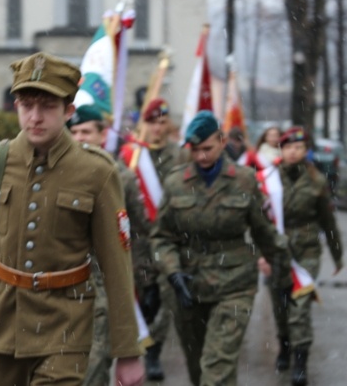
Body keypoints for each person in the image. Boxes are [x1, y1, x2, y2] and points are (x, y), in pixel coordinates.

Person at [0, 52, 145, 386]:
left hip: (65, 327)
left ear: (69, 111)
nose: (35, 117)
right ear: (16, 106)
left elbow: (117, 267)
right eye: (27, 105)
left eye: (48, 106)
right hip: (0, 321)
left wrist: (127, 351)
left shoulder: (96, 172)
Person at [150, 110, 292, 386]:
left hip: (234, 284)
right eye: (195, 150)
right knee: (198, 368)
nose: (201, 156)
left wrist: (286, 275)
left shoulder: (244, 180)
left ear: (222, 140)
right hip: (188, 286)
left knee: (217, 368)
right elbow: (161, 237)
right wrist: (173, 272)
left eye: (208, 148)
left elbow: (264, 232)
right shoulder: (176, 182)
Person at [67, 104, 145, 386]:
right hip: (63, 289)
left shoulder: (120, 176)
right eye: (73, 132)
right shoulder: (57, 176)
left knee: (92, 372)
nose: (78, 138)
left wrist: (141, 282)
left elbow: (138, 234)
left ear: (102, 134)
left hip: (103, 288)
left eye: (85, 131)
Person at [259, 126, 343, 386]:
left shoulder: (316, 181)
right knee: (280, 306)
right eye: (288, 147)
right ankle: (284, 345)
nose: (293, 152)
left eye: (298, 147)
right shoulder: (268, 179)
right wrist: (261, 255)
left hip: (306, 252)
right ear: (280, 149)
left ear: (306, 151)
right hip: (276, 251)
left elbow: (328, 221)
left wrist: (337, 255)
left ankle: (300, 361)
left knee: (300, 307)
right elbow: (258, 221)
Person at [119, 97, 187, 381]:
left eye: (162, 122)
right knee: (144, 298)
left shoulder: (180, 155)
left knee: (164, 296)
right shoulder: (130, 155)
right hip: (138, 241)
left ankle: (155, 352)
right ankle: (139, 347)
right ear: (142, 124)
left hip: (169, 239)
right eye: (151, 122)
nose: (157, 128)